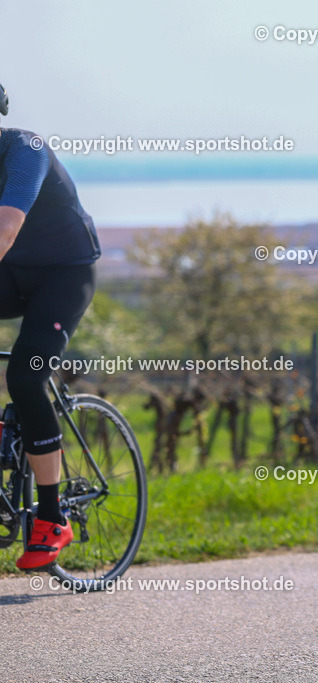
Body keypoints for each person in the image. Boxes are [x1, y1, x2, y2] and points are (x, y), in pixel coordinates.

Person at [0, 81, 101, 570]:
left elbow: (6, 228)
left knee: (24, 375)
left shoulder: (25, 149)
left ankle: (50, 515)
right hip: (10, 276)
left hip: (63, 277)